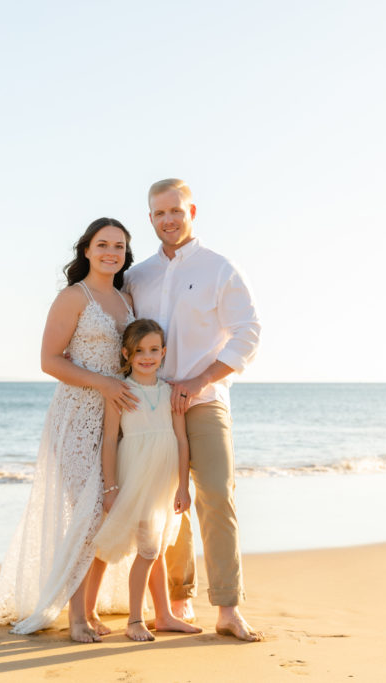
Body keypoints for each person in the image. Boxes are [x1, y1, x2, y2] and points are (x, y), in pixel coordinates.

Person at [0, 218, 140, 643]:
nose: (111, 252)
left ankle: (89, 607)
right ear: (86, 250)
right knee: (85, 513)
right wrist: (103, 383)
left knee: (108, 512)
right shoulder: (73, 297)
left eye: (119, 246)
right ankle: (76, 616)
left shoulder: (127, 298)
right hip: (78, 415)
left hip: (121, 418)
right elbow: (49, 361)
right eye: (102, 244)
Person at [123, 179, 263, 641]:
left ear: (192, 211)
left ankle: (227, 607)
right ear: (149, 218)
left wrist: (201, 380)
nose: (168, 220)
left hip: (203, 400)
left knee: (217, 493)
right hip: (151, 406)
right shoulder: (137, 276)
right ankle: (176, 601)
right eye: (159, 213)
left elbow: (248, 331)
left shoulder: (219, 269)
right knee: (166, 504)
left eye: (176, 211)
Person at [92, 319, 204, 641]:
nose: (147, 356)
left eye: (154, 350)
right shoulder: (121, 391)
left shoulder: (171, 392)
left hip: (163, 481)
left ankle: (165, 614)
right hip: (135, 477)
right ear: (127, 353)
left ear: (164, 352)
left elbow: (182, 441)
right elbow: (110, 440)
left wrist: (183, 485)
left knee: (154, 547)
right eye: (139, 350)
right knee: (148, 550)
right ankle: (135, 620)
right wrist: (110, 486)